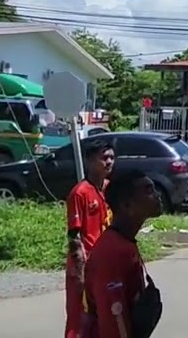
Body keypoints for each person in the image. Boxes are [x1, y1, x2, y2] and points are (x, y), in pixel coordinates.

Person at [84, 169, 163, 338]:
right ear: (127, 206)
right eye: (148, 191)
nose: (157, 195)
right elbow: (114, 321)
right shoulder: (112, 253)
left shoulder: (125, 242)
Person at [65, 142, 115, 338]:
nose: (109, 162)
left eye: (111, 157)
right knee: (79, 320)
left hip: (106, 266)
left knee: (104, 317)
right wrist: (81, 274)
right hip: (85, 268)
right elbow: (74, 236)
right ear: (90, 161)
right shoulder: (80, 193)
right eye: (104, 158)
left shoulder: (111, 190)